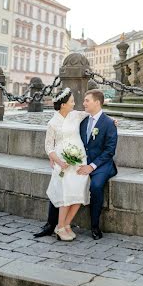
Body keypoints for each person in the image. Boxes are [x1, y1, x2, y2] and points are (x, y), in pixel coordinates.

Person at [35, 88, 118, 241]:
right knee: (63, 188)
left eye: (86, 100)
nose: (80, 103)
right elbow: (49, 146)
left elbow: (99, 118)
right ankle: (56, 225)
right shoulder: (60, 121)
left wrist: (111, 120)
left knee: (90, 187)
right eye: (73, 101)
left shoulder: (79, 116)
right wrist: (56, 158)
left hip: (88, 162)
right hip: (66, 160)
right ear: (63, 104)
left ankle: (88, 226)